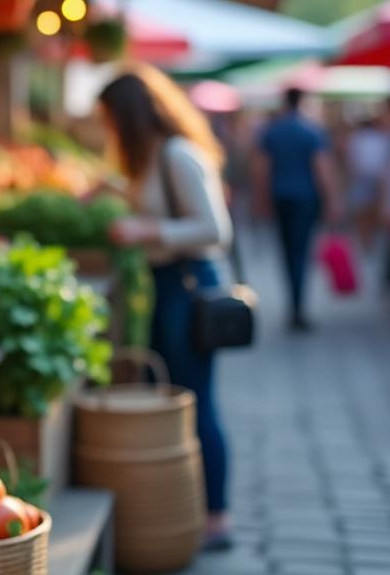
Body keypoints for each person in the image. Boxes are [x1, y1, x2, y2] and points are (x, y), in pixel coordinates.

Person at [97, 72, 235, 551]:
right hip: (168, 284)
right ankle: (189, 505)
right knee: (176, 392)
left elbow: (215, 229)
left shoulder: (178, 154)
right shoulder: (153, 157)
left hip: (191, 284)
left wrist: (147, 233)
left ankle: (217, 514)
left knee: (193, 399)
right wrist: (112, 190)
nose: (108, 129)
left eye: (111, 119)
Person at [252, 88, 340, 331]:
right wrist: (332, 200)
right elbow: (322, 168)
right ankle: (298, 307)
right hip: (305, 198)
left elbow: (262, 170)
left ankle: (294, 304)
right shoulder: (312, 131)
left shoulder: (272, 131)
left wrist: (260, 200)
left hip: (280, 197)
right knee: (302, 251)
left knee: (288, 252)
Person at [345, 113, 390, 250]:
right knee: (372, 212)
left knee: (362, 212)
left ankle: (364, 241)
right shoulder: (382, 139)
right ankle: (370, 241)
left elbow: (351, 161)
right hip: (377, 179)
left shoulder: (357, 139)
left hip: (362, 178)